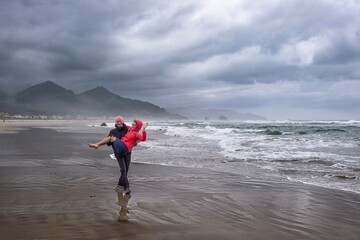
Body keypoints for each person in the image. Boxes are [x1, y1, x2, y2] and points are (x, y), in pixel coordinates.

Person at [89, 119, 148, 194]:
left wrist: (143, 130)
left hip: (126, 150)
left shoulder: (137, 134)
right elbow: (121, 124)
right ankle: (126, 187)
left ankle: (120, 185)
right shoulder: (129, 129)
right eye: (132, 124)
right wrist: (119, 122)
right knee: (111, 138)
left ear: (137, 126)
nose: (132, 125)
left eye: (134, 125)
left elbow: (143, 139)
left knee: (125, 170)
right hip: (120, 148)